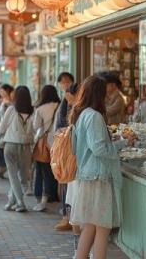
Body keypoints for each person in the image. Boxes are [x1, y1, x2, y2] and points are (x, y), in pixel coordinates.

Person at [69, 75, 134, 259]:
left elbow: (84, 145)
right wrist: (122, 143)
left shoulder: (81, 114)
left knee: (90, 228)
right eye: (104, 93)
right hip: (99, 177)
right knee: (102, 230)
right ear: (98, 93)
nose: (106, 96)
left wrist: (111, 139)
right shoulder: (94, 116)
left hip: (88, 176)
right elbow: (99, 149)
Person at [0, 86, 34, 212]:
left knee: (13, 176)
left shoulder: (11, 109)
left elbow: (2, 126)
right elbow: (36, 128)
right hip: (26, 146)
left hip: (10, 145)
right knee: (22, 177)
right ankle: (12, 202)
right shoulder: (33, 110)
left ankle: (20, 203)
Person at [53, 83, 79, 232]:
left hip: (70, 153)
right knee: (66, 184)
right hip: (66, 152)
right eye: (67, 99)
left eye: (71, 99)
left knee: (70, 187)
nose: (69, 102)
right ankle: (67, 216)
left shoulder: (82, 112)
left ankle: (70, 217)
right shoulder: (67, 109)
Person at [32, 85, 60, 211]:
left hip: (44, 142)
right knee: (55, 169)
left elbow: (36, 125)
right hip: (59, 141)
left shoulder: (41, 108)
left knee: (42, 170)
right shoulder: (61, 106)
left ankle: (42, 198)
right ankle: (53, 195)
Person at [0, 84, 14, 178]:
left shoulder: (12, 102)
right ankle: (3, 168)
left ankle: (4, 168)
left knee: (6, 151)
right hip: (2, 128)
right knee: (1, 150)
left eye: (2, 91)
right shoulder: (1, 101)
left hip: (9, 130)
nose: (0, 93)